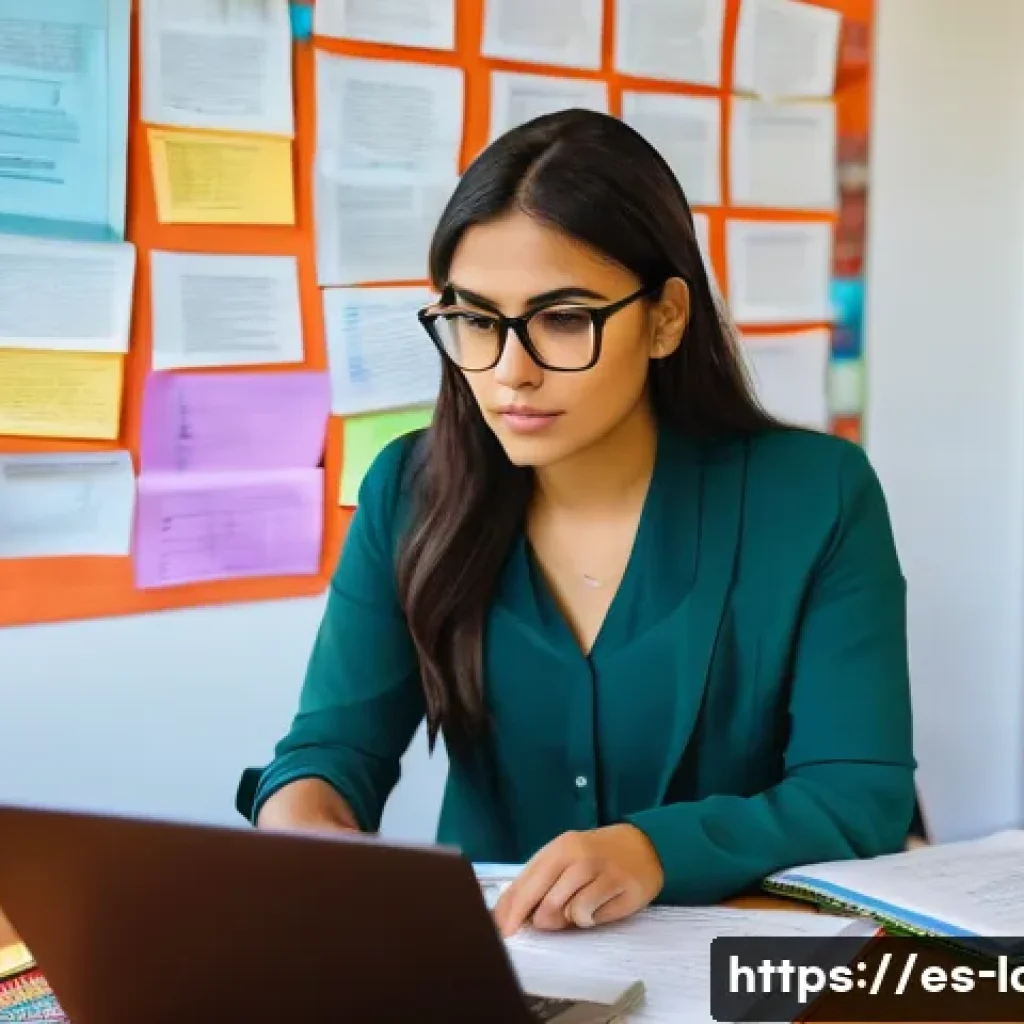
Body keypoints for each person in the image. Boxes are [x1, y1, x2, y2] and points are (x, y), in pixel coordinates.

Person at [236, 109, 915, 938]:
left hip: (737, 973)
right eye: (477, 321)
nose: (510, 372)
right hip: (500, 972)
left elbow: (858, 798)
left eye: (563, 318)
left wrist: (654, 850)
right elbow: (334, 747)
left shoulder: (816, 495)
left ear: (666, 317)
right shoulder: (407, 491)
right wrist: (303, 817)